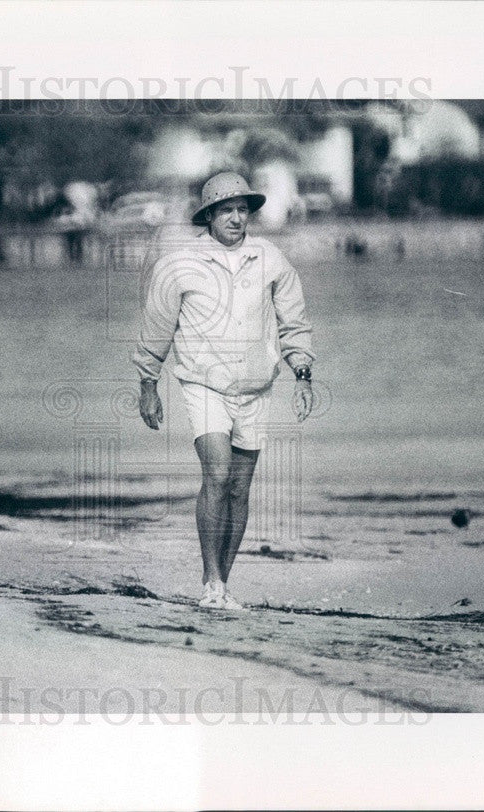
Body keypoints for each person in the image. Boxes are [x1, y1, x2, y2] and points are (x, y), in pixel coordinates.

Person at [132, 171, 316, 610]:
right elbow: (157, 328)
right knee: (216, 474)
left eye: (242, 210)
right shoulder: (179, 264)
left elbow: (294, 321)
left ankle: (221, 586)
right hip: (203, 383)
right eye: (227, 210)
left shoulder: (270, 259)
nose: (236, 218)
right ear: (209, 215)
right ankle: (210, 581)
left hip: (255, 386)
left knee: (239, 489)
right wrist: (148, 384)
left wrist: (303, 373)